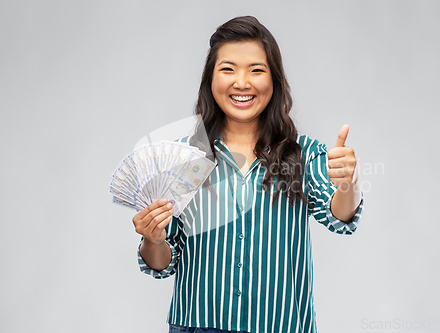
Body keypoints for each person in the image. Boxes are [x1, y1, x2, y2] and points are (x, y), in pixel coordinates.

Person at [132, 16, 363, 333]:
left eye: (256, 70)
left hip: (279, 325)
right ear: (210, 79)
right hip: (198, 325)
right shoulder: (182, 158)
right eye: (228, 69)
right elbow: (161, 262)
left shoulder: (302, 153)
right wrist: (152, 238)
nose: (242, 82)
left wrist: (349, 183)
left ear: (275, 80)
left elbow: (340, 216)